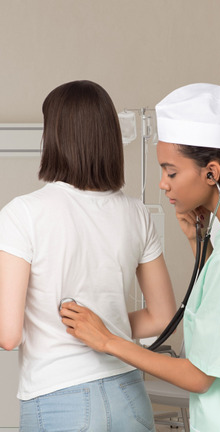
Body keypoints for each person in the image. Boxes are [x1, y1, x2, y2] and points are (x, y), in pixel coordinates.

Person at [60, 83, 220, 432]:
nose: (163, 184)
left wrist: (107, 340)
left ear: (212, 172)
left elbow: (199, 376)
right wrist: (198, 245)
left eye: (171, 172)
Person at [0, 80, 176, 432]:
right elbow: (163, 316)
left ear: (54, 138)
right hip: (130, 393)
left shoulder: (23, 213)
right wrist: (107, 328)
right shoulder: (136, 213)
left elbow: (9, 335)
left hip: (57, 400)